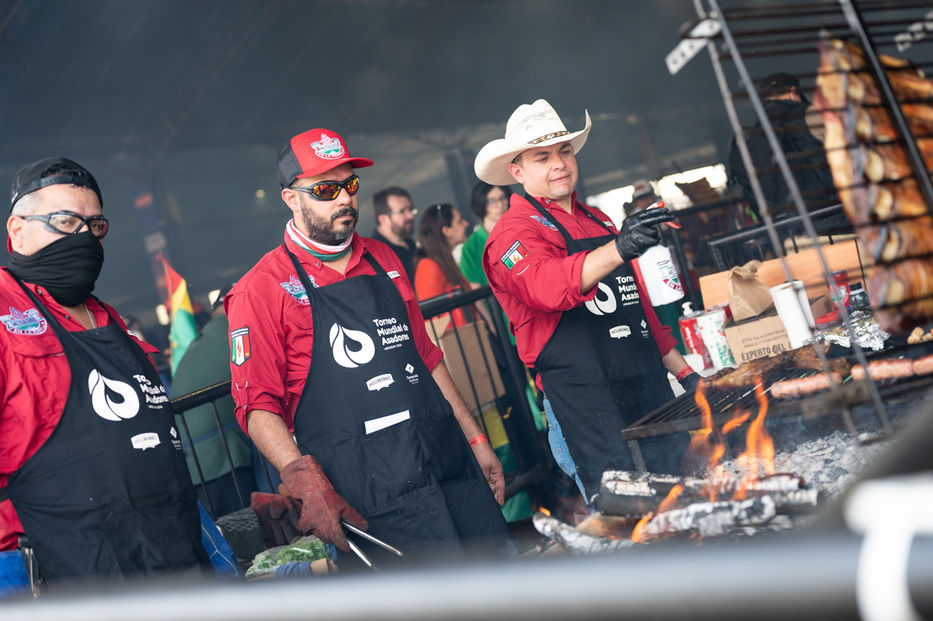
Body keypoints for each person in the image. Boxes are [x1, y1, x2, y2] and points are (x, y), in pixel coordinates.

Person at [226, 128, 512, 562]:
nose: (344, 198)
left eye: (350, 185)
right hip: (370, 495)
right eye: (326, 189)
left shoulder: (384, 257)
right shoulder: (260, 290)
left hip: (446, 463)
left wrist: (476, 439)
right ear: (291, 199)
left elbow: (427, 357)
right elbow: (257, 405)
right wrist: (306, 482)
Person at [476, 100, 700, 500]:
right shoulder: (511, 234)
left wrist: (684, 372)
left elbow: (639, 305)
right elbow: (545, 287)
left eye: (564, 150)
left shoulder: (599, 218)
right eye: (542, 157)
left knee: (685, 499)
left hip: (646, 385)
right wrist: (621, 247)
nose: (559, 163)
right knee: (629, 519)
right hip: (584, 405)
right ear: (517, 171)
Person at [0, 158, 207, 583]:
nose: (83, 237)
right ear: (17, 232)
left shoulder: (108, 318)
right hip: (75, 578)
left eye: (94, 226)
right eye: (63, 221)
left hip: (176, 560)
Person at [171, 285, 258, 518]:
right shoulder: (237, 332)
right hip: (226, 461)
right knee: (258, 546)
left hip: (197, 467)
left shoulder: (200, 342)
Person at [728, 72, 848, 235]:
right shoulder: (810, 115)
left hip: (789, 233)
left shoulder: (757, 134)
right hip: (835, 222)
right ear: (793, 91)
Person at [414, 203, 474, 330]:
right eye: (459, 221)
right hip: (458, 343)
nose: (466, 224)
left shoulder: (444, 262)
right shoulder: (429, 266)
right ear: (447, 231)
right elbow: (433, 321)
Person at [459, 182, 513, 289]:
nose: (500, 205)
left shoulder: (518, 229)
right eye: (492, 201)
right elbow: (475, 292)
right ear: (481, 204)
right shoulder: (470, 247)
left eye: (502, 198)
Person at [371, 187, 418, 281]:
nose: (410, 215)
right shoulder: (376, 254)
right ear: (383, 219)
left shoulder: (409, 242)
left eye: (410, 209)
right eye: (402, 211)